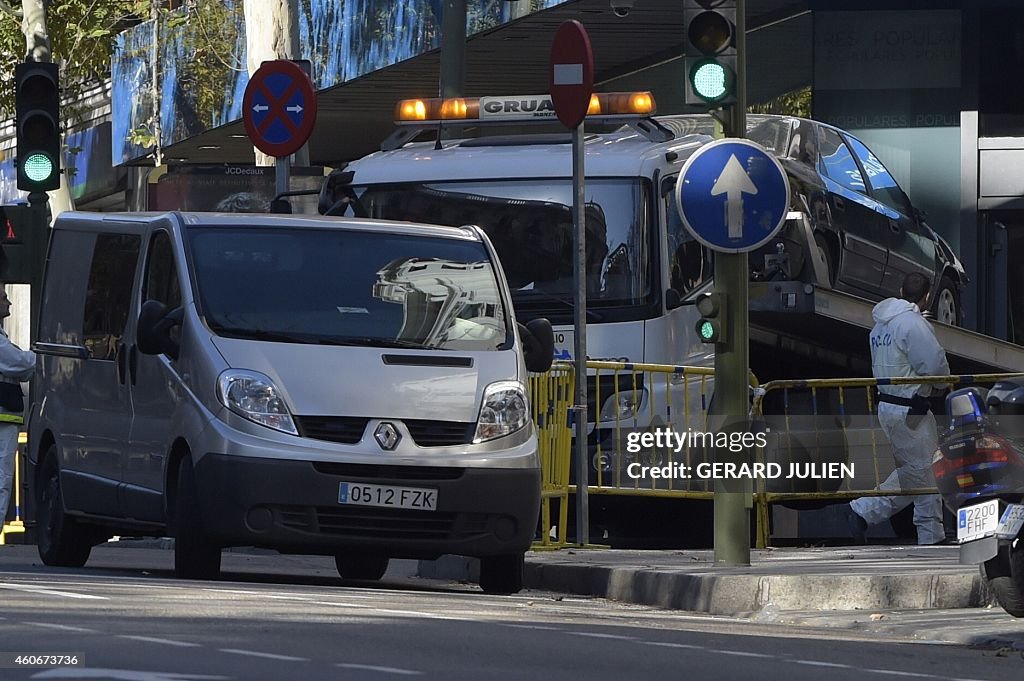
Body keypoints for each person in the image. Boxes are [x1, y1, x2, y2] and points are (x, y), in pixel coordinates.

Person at [847, 272, 949, 546]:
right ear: (927, 297)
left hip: (890, 407)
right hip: (910, 409)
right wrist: (942, 384)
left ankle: (864, 513)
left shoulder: (879, 327)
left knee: (916, 471)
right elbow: (935, 366)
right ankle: (927, 535)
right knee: (927, 473)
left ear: (901, 289)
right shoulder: (913, 325)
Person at [0, 286, 36, 529]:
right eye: (3, 299)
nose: (9, 303)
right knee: (2, 478)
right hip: (3, 420)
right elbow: (21, 364)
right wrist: (41, 355)